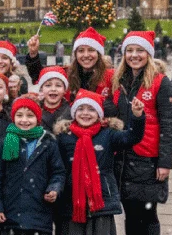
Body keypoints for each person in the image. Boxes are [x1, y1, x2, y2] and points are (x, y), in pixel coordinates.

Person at [110, 31, 172, 235]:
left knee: (147, 215)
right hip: (123, 156)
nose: (134, 55)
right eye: (129, 50)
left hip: (147, 158)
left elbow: (168, 124)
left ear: (148, 53)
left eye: (140, 50)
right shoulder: (119, 81)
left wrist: (165, 163)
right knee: (130, 214)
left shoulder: (160, 82)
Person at [54, 90, 146, 235]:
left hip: (101, 198)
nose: (85, 113)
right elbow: (57, 166)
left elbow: (132, 137)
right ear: (73, 113)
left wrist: (137, 116)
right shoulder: (64, 137)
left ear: (99, 114)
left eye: (91, 109)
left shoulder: (108, 134)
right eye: (81, 109)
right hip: (73, 200)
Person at [0, 96, 66, 234]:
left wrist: (54, 189)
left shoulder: (48, 142)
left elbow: (58, 172)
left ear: (38, 118)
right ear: (13, 117)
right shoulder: (5, 142)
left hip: (39, 215)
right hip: (11, 213)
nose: (24, 120)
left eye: (30, 116)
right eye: (19, 115)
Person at [27, 27, 114, 101]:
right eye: (81, 51)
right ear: (75, 54)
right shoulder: (66, 73)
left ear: (98, 54)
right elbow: (40, 75)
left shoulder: (111, 77)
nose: (86, 55)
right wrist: (33, 54)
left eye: (91, 50)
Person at [36, 66, 71, 131]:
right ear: (41, 88)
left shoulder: (71, 112)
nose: (53, 89)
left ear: (65, 90)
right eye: (48, 85)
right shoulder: (33, 110)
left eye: (58, 85)